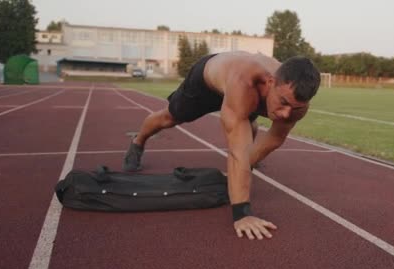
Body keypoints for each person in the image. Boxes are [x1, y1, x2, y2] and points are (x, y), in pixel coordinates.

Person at [123, 51, 321, 241]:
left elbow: (275, 138)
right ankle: (138, 142)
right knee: (168, 118)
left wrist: (243, 167)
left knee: (246, 137)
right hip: (206, 82)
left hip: (250, 95)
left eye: (295, 108)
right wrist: (242, 213)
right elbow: (237, 152)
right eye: (283, 102)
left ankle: (247, 131)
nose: (286, 114)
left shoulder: (295, 104)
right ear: (270, 82)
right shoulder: (245, 82)